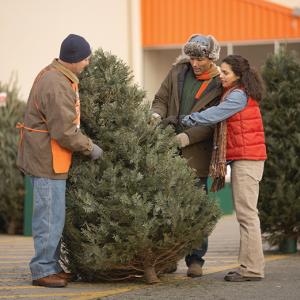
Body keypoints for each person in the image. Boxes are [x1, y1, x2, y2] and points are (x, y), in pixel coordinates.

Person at [17, 34, 103, 288]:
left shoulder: (57, 75)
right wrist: (90, 148)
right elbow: (64, 132)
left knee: (54, 216)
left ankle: (51, 266)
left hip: (50, 157)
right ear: (75, 59)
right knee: (48, 217)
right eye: (86, 58)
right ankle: (42, 270)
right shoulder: (56, 83)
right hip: (46, 159)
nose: (88, 63)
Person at [182, 54, 267, 282]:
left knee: (247, 215)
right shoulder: (235, 91)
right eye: (221, 70)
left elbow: (215, 114)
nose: (221, 75)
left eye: (226, 72)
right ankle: (249, 266)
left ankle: (252, 270)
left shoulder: (238, 95)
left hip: (248, 160)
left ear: (238, 75)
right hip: (245, 158)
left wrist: (189, 119)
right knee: (246, 215)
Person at [151, 33, 223, 277]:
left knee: (195, 209)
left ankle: (195, 259)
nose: (195, 63)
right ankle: (168, 258)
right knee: (166, 207)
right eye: (192, 58)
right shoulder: (177, 71)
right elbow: (160, 98)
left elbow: (214, 120)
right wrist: (156, 115)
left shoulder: (220, 82)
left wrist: (186, 137)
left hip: (196, 154)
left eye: (200, 58)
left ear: (211, 57)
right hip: (168, 152)